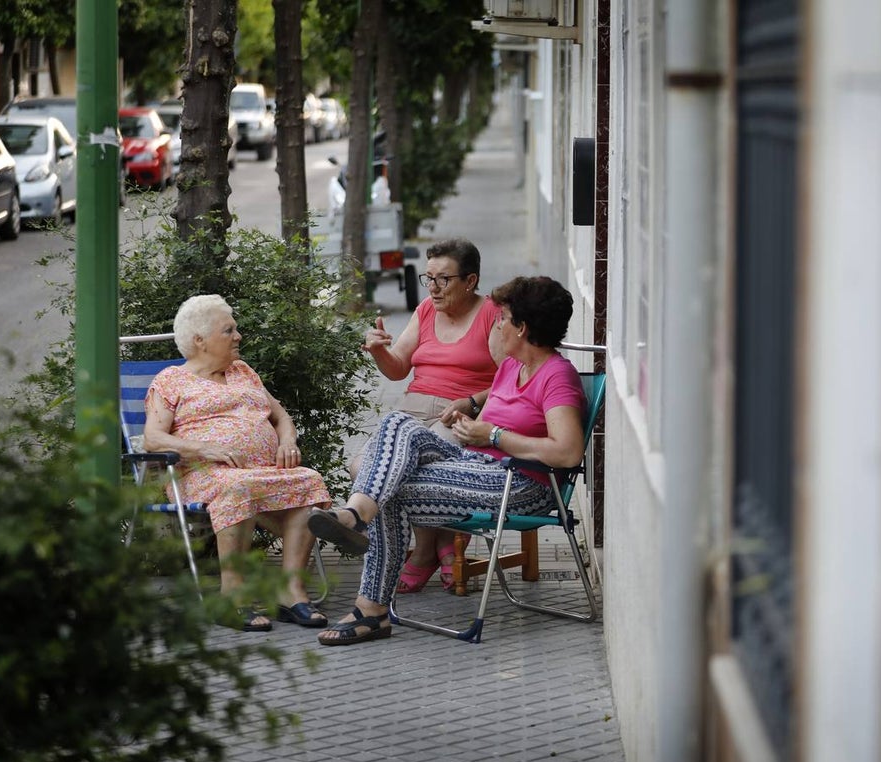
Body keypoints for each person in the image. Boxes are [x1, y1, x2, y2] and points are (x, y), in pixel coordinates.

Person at [311, 276, 586, 646]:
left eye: (502, 318)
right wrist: (471, 411)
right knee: (399, 424)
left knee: (393, 490)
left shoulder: (558, 375)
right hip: (478, 465)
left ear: (522, 328)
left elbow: (568, 452)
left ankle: (370, 605)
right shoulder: (511, 366)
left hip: (521, 484)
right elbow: (499, 406)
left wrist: (492, 436)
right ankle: (357, 515)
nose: (497, 324)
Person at [143, 294, 332, 631]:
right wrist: (203, 448)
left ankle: (290, 593)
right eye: (228, 330)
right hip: (203, 474)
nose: (238, 336)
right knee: (237, 485)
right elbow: (153, 439)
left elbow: (281, 416)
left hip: (261, 472)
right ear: (200, 341)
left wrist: (287, 439)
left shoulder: (243, 371)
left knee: (309, 480)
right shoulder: (170, 380)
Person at [342, 237, 503, 594]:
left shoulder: (492, 314)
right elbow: (398, 368)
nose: (432, 287)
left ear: (471, 280)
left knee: (418, 469)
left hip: (459, 414)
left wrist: (472, 402)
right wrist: (377, 350)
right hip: (413, 408)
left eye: (442, 279)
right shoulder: (425, 311)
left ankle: (422, 554)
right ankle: (435, 546)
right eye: (427, 278)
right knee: (361, 466)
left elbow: (513, 379)